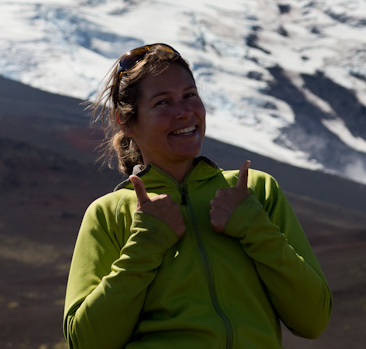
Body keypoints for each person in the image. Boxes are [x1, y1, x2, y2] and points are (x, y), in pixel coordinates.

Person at [63, 43, 332, 349]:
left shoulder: (255, 192)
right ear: (126, 121)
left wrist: (255, 228)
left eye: (190, 95)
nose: (184, 112)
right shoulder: (109, 213)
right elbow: (85, 342)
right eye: (163, 103)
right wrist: (144, 246)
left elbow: (314, 319)